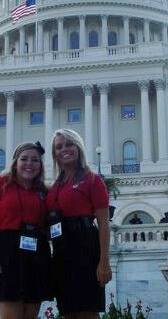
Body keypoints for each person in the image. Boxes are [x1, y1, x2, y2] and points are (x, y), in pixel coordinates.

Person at [0, 141, 52, 319]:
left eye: (35, 160)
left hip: (37, 254)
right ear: (15, 162)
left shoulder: (44, 191)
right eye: (24, 159)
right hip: (8, 254)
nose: (29, 164)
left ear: (40, 165)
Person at [47, 129, 111, 319]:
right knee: (68, 311)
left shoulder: (92, 180)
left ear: (78, 148)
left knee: (87, 311)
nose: (64, 149)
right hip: (61, 251)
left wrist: (104, 262)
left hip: (85, 249)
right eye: (59, 147)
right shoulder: (55, 185)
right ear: (54, 154)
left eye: (69, 144)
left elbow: (104, 224)